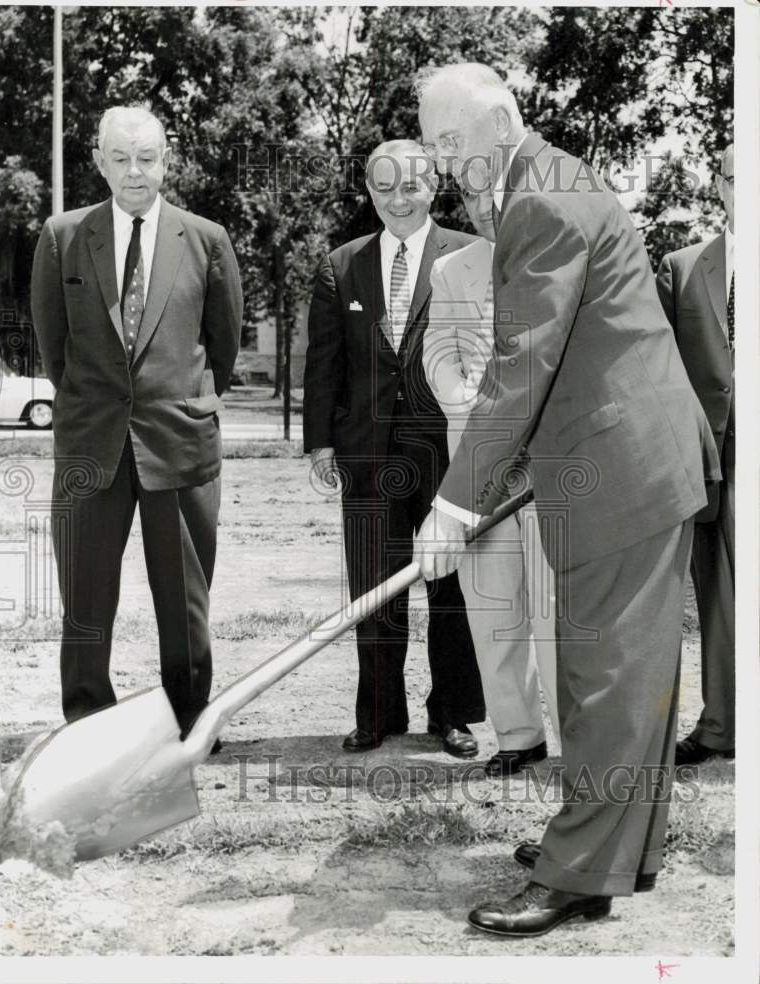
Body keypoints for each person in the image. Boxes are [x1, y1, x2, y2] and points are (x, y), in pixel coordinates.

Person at [412, 63, 720, 937]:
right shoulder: (542, 182)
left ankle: (581, 873)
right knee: (614, 677)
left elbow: (519, 369)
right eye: (433, 142)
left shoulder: (540, 199)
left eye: (451, 139)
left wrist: (454, 506)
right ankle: (608, 845)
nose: (442, 160)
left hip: (622, 467)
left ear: (502, 122)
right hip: (612, 459)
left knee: (608, 679)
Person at [31, 105, 242, 742]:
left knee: (183, 601)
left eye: (146, 157)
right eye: (119, 158)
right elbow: (53, 347)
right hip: (91, 444)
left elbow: (222, 346)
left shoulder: (207, 240)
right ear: (97, 161)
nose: (133, 171)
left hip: (179, 443)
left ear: (166, 158)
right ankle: (88, 719)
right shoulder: (62, 236)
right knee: (86, 599)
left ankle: (187, 715)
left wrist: (181, 401)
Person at [303, 139, 485, 756]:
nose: (397, 200)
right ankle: (377, 714)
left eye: (410, 186)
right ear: (369, 192)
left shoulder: (470, 254)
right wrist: (321, 442)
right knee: (372, 591)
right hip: (368, 458)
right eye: (384, 188)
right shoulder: (342, 264)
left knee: (451, 591)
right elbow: (325, 362)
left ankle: (453, 715)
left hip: (447, 451)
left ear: (432, 186)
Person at [424, 182, 560, 777]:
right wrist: (472, 411)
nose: (483, 211)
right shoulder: (452, 270)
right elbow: (437, 353)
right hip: (478, 464)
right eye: (473, 201)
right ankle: (518, 735)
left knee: (556, 613)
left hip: (550, 462)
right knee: (493, 603)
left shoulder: (556, 255)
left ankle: (578, 744)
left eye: (494, 200)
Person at [656, 144, 736, 766]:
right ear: (718, 183)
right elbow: (655, 365)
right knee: (717, 594)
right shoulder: (682, 266)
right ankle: (720, 728)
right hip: (710, 455)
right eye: (737, 179)